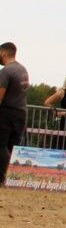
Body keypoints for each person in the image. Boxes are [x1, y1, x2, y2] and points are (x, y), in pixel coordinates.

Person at [0, 42, 30, 186]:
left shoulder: (6, 71)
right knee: (12, 147)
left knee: (1, 145)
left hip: (6, 113)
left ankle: (1, 178)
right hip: (21, 113)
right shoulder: (23, 70)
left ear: (3, 53)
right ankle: (9, 178)